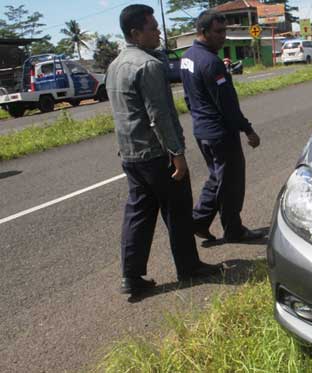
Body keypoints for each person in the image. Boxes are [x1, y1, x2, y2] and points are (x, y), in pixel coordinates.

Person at [107, 4, 219, 294]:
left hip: (131, 155)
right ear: (135, 33)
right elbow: (160, 115)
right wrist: (177, 154)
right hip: (157, 155)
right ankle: (189, 267)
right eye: (153, 27)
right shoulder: (149, 65)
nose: (158, 32)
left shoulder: (115, 65)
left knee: (138, 215)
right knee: (178, 210)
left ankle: (130, 277)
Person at [180, 10, 265, 243]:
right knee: (232, 183)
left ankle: (199, 220)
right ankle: (234, 230)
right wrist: (248, 129)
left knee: (217, 177)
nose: (223, 37)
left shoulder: (187, 57)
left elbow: (189, 97)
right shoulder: (211, 62)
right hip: (219, 133)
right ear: (203, 31)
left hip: (202, 130)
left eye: (225, 31)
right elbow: (227, 105)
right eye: (218, 32)